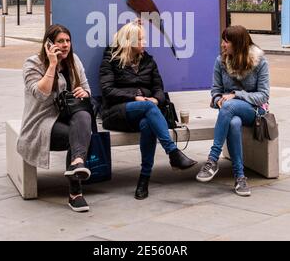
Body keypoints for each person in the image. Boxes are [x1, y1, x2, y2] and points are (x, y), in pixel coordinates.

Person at [100, 19, 197, 201]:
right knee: (147, 107)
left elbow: (159, 88)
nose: (145, 43)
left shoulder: (148, 61)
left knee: (147, 124)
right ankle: (173, 153)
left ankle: (144, 179)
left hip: (143, 112)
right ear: (130, 41)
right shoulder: (110, 59)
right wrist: (135, 97)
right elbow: (107, 90)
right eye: (142, 39)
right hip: (116, 113)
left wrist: (155, 98)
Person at [17, 24, 93, 213]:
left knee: (83, 115)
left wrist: (83, 92)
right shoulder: (32, 63)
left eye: (68, 41)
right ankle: (76, 191)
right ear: (48, 44)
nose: (65, 45)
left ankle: (77, 165)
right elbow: (41, 95)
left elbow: (87, 90)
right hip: (42, 122)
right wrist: (52, 64)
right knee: (76, 136)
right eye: (60, 41)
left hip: (70, 116)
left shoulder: (74, 60)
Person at [196, 25, 270, 197]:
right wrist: (218, 101)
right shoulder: (220, 61)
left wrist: (235, 95)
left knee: (230, 106)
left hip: (254, 111)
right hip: (229, 112)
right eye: (223, 40)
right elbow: (215, 92)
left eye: (226, 41)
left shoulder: (260, 62)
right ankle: (240, 177)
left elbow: (263, 96)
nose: (223, 45)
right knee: (234, 122)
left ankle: (212, 159)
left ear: (238, 44)